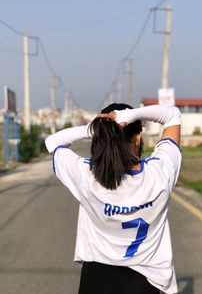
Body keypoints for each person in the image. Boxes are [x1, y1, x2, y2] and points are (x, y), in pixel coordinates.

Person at [45, 103, 182, 294]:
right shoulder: (159, 173)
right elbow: (172, 115)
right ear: (138, 137)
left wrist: (95, 128)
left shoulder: (87, 175)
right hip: (144, 283)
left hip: (96, 280)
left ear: (100, 138)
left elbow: (52, 142)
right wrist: (129, 115)